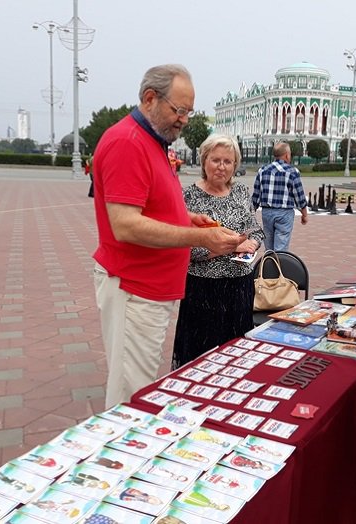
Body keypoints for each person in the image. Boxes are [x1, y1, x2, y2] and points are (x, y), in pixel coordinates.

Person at [92, 64, 244, 409]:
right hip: (135, 287)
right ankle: (122, 458)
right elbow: (126, 225)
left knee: (138, 384)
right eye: (179, 110)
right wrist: (199, 237)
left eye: (189, 112)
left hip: (149, 289)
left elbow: (147, 203)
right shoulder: (128, 142)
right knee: (131, 395)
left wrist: (186, 216)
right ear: (150, 99)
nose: (184, 120)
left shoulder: (151, 142)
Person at [171, 134, 264, 370]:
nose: (222, 167)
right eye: (216, 160)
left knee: (235, 357)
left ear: (235, 166)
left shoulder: (241, 192)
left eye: (228, 161)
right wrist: (231, 247)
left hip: (239, 287)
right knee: (199, 358)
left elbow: (254, 229)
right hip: (203, 289)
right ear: (204, 161)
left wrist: (252, 242)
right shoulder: (187, 196)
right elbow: (182, 247)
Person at [251, 142, 308, 251]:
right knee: (281, 247)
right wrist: (304, 214)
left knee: (269, 246)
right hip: (284, 213)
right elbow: (299, 195)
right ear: (287, 155)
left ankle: (269, 265)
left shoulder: (262, 171)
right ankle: (279, 266)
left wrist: (251, 212)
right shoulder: (292, 172)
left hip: (267, 212)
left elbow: (256, 196)